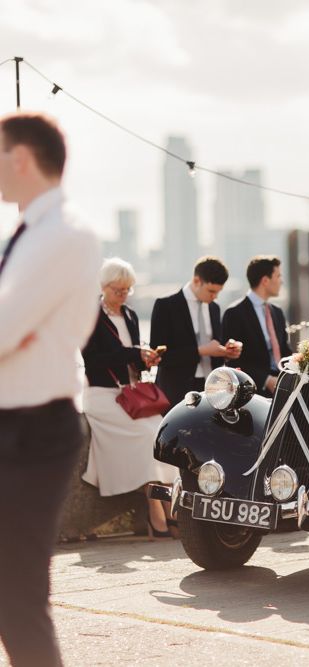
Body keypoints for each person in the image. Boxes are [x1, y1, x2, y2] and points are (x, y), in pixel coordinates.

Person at [0, 112, 101, 666]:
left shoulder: (64, 233)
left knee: (18, 595)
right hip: (13, 421)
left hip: (34, 428)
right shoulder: (29, 233)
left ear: (19, 157)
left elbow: (5, 328)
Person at [81, 257, 178, 537]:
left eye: (127, 290)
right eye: (117, 290)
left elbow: (131, 361)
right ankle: (158, 515)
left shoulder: (131, 316)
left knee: (161, 437)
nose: (123, 295)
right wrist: (133, 353)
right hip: (102, 395)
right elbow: (93, 360)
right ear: (104, 286)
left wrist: (146, 359)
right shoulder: (90, 316)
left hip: (131, 394)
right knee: (147, 438)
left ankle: (165, 511)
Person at [150, 256, 241, 409]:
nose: (214, 297)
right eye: (211, 291)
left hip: (212, 389)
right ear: (197, 281)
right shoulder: (166, 305)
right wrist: (201, 351)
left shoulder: (214, 308)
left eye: (218, 292)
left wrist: (227, 351)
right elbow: (159, 356)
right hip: (176, 390)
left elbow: (215, 344)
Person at [222, 255, 292, 396]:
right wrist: (266, 380)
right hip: (254, 390)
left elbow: (284, 351)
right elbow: (233, 361)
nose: (282, 281)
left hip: (284, 383)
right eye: (278, 276)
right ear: (265, 281)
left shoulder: (277, 312)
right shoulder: (234, 313)